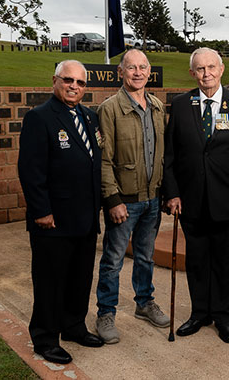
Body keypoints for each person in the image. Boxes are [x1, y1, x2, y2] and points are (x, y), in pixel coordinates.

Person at [162, 47, 229, 344]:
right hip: (191, 201)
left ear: (221, 70)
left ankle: (222, 315)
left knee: (226, 262)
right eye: (200, 69)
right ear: (193, 73)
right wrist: (173, 193)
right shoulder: (180, 105)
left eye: (211, 68)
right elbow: (170, 155)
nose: (206, 74)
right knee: (197, 261)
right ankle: (199, 313)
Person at [18, 60, 105, 364]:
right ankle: (45, 338)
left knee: (80, 278)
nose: (74, 87)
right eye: (68, 80)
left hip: (84, 217)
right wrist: (41, 210)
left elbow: (94, 165)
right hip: (52, 220)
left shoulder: (90, 118)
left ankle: (73, 326)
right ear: (54, 81)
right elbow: (31, 170)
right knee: (50, 282)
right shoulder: (39, 118)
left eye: (80, 83)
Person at [94, 49, 169, 343]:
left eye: (142, 67)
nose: (137, 72)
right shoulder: (109, 109)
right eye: (131, 68)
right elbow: (104, 159)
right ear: (120, 72)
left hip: (152, 199)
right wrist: (112, 199)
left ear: (149, 72)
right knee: (113, 259)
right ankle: (105, 313)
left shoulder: (158, 107)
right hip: (124, 201)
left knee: (145, 256)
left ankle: (144, 303)